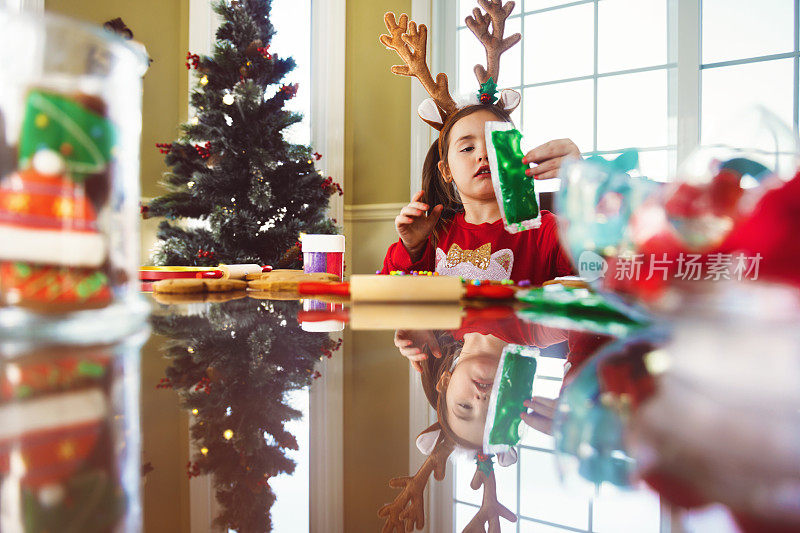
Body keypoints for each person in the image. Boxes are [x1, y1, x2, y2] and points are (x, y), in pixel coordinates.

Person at [379, 103, 580, 283]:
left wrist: (585, 180)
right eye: (467, 148)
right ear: (446, 171)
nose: (484, 154)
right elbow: (393, 301)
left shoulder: (547, 231)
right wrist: (412, 248)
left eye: (496, 145)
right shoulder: (431, 237)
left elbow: (599, 274)